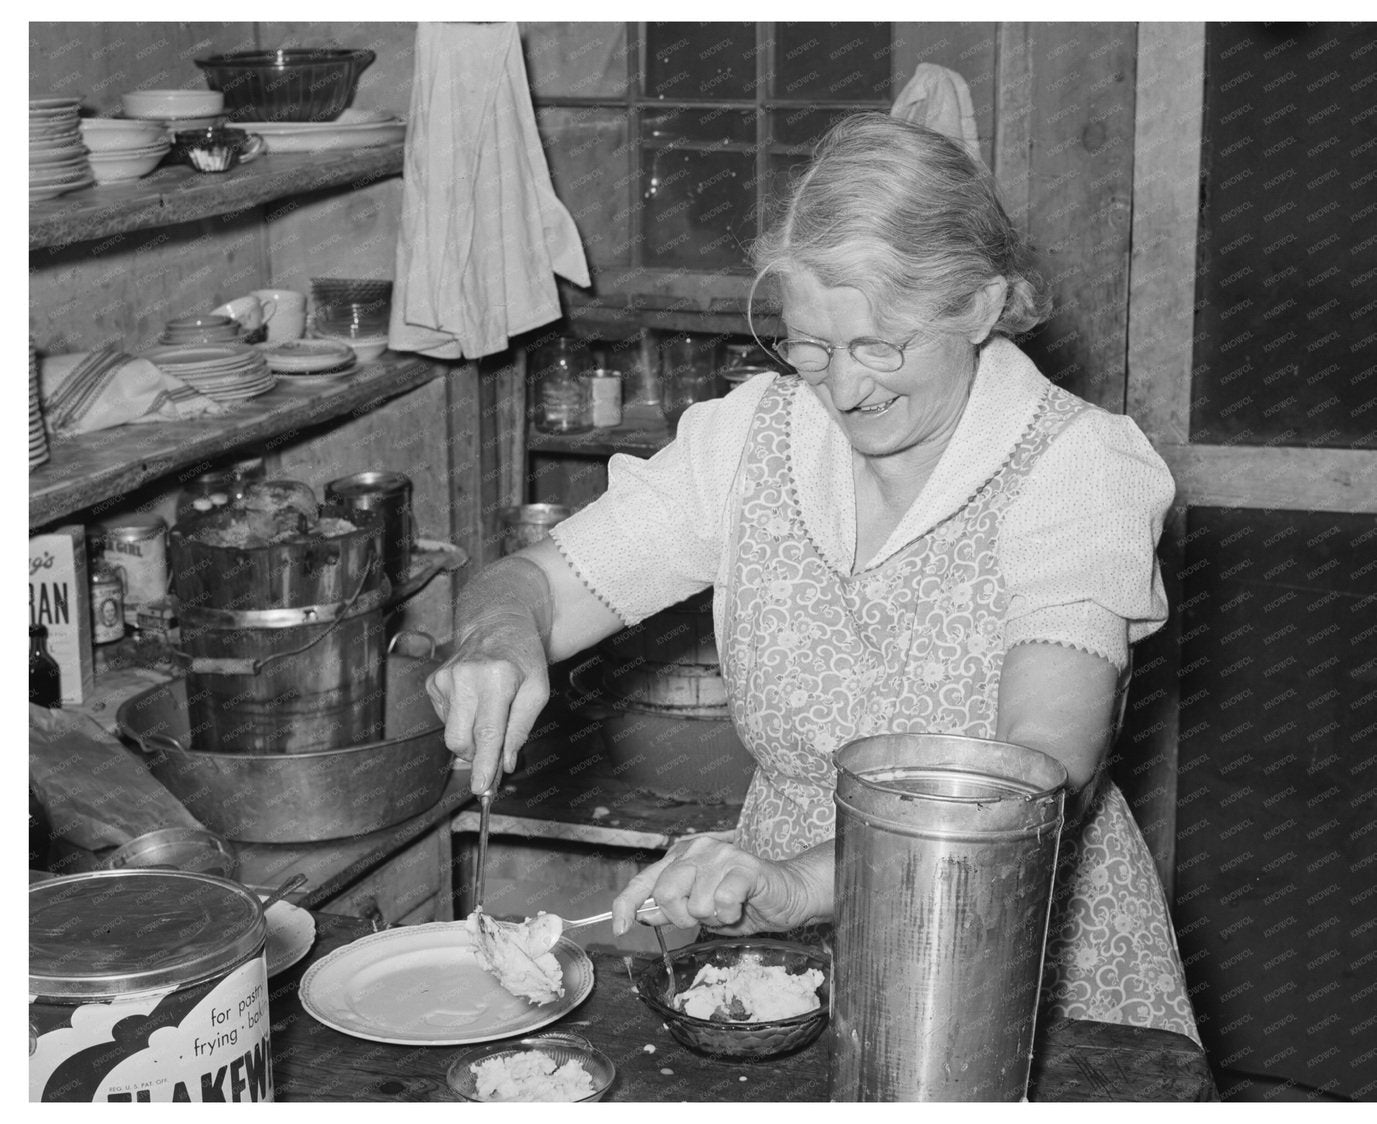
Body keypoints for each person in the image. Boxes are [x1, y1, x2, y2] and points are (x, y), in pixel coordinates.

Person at [428, 112, 1198, 1041]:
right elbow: (535, 584)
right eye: (809, 345)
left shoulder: (1076, 466)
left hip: (1013, 931)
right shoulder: (752, 438)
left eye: (881, 346)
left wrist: (805, 882)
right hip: (783, 937)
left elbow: (1037, 773)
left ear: (981, 308)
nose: (843, 390)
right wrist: (498, 633)